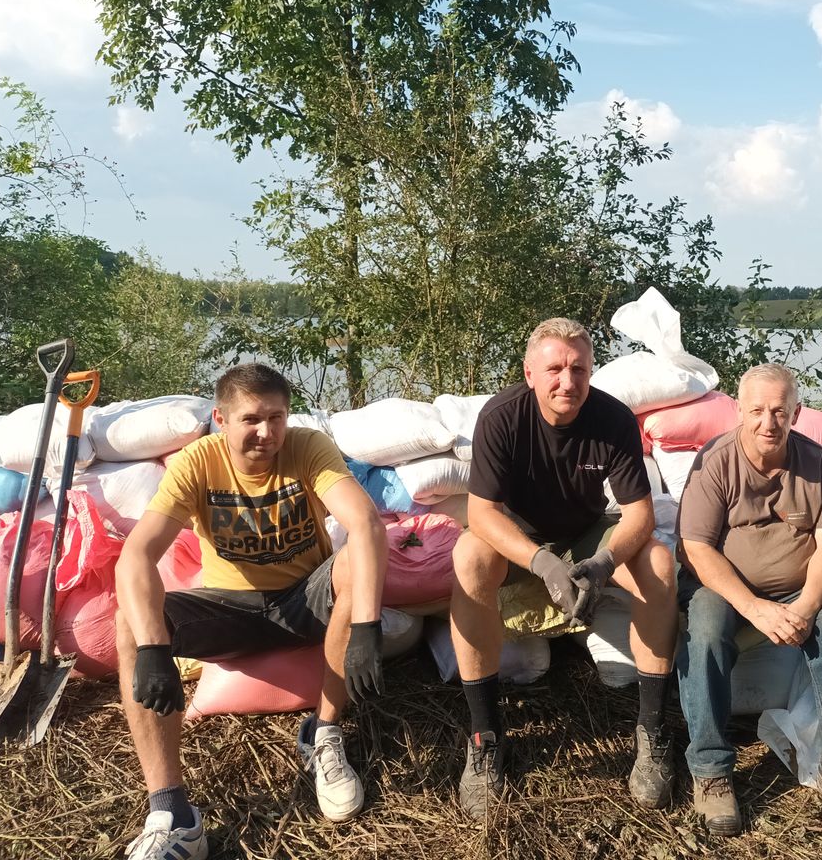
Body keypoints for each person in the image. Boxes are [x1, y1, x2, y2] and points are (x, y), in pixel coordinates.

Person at [114, 364, 388, 860]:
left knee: (352, 562)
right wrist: (154, 648)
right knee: (129, 620)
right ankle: (173, 813)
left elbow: (365, 522)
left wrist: (368, 624)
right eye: (251, 419)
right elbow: (136, 555)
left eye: (277, 418)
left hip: (305, 596)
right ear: (220, 418)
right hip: (229, 607)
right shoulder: (197, 463)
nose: (267, 433)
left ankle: (323, 733)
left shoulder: (307, 448)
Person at [449, 317, 678, 817]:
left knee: (659, 563)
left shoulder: (612, 418)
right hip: (524, 538)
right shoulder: (501, 417)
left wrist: (602, 563)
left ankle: (653, 731)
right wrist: (540, 560)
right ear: (530, 372)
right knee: (468, 555)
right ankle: (485, 737)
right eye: (554, 368)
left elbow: (639, 512)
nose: (567, 382)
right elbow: (481, 513)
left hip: (586, 535)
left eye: (579, 369)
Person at [674, 363, 822, 837]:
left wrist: (806, 607)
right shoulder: (715, 462)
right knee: (702, 632)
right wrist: (755, 608)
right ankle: (711, 771)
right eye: (758, 411)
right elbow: (697, 549)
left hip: (799, 588)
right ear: (739, 412)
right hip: (723, 587)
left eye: (780, 412)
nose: (769, 423)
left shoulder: (819, 464)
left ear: (797, 413)